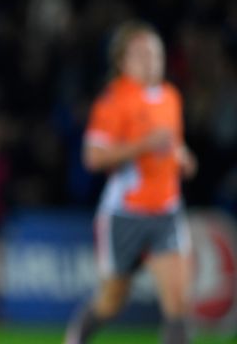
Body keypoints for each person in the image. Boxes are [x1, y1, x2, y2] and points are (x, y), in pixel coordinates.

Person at [65, 21, 197, 344]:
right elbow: (93, 158)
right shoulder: (113, 101)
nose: (151, 61)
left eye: (156, 54)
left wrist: (183, 158)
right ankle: (76, 337)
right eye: (142, 54)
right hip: (125, 214)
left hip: (166, 210)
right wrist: (144, 145)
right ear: (123, 61)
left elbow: (173, 146)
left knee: (178, 304)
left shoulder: (170, 97)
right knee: (112, 301)